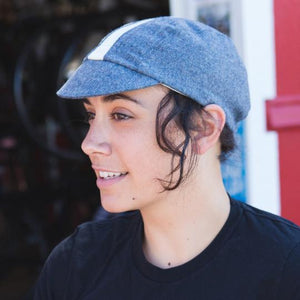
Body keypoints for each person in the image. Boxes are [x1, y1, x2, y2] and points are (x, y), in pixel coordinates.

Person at [33, 16, 300, 299]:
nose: (89, 144)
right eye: (90, 115)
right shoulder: (75, 264)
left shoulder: (286, 269)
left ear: (203, 129)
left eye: (121, 115)